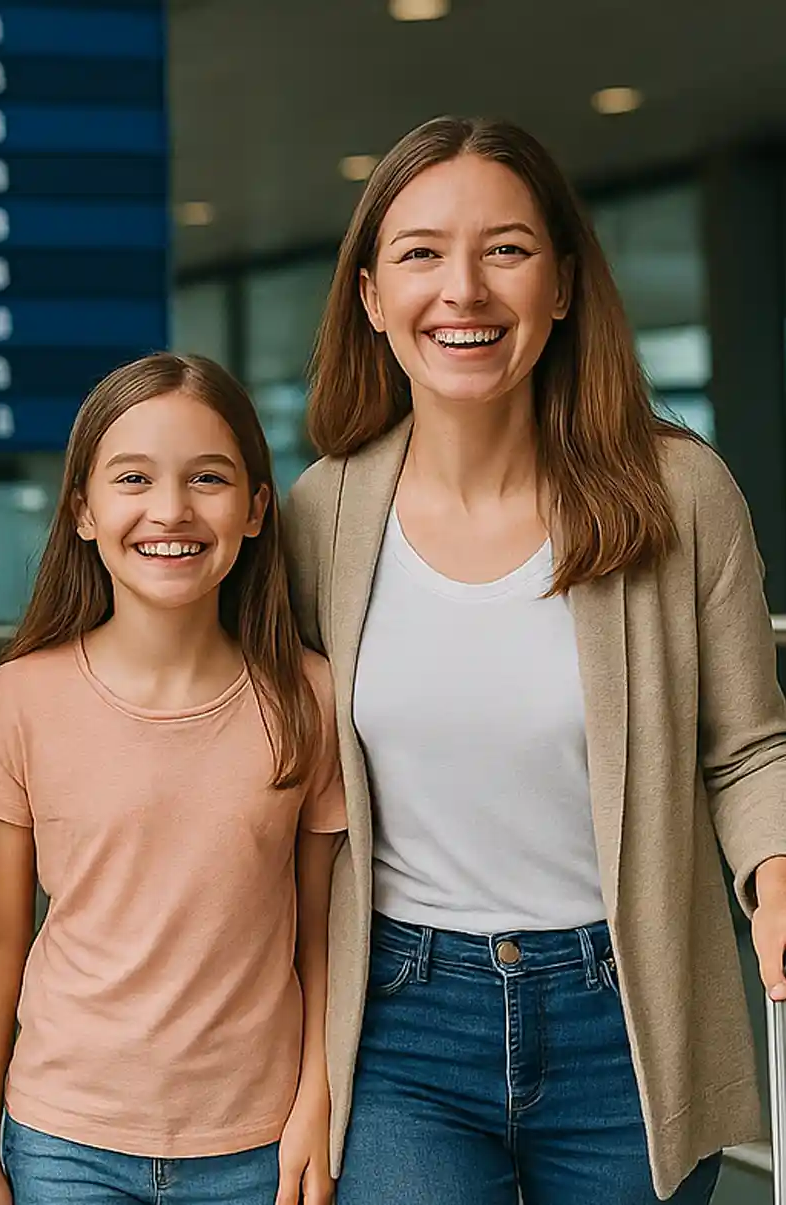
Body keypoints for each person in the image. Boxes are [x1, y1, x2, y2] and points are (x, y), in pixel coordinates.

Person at [284, 115, 786, 1205]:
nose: (461, 289)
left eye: (503, 248)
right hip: (400, 1019)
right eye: (419, 252)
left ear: (560, 282)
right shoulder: (317, 516)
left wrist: (774, 873)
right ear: (369, 296)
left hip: (630, 1011)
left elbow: (746, 747)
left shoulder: (676, 492)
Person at [0, 352, 345, 1205]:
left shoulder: (310, 696)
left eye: (207, 478)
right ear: (83, 512)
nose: (169, 510)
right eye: (132, 478)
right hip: (64, 1140)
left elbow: (323, 935)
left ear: (255, 510)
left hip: (257, 1142)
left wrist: (317, 1098)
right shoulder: (19, 699)